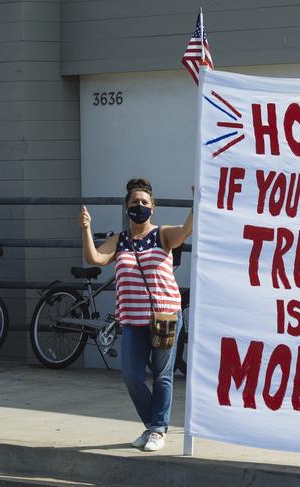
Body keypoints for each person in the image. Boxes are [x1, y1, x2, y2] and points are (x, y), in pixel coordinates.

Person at [79, 178, 193, 452]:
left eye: (144, 202)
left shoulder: (163, 235)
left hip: (164, 317)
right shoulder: (120, 241)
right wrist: (86, 228)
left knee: (162, 375)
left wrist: (196, 203)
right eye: (134, 202)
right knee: (132, 376)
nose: (139, 206)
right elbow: (94, 258)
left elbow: (186, 231)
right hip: (131, 319)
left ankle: (156, 430)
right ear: (126, 206)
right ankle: (154, 425)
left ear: (152, 207)